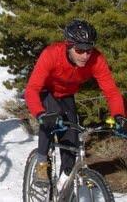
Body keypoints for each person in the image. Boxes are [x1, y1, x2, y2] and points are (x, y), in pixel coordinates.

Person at [25, 19, 126, 185]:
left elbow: (112, 92)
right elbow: (32, 89)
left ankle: (65, 182)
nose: (85, 55)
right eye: (80, 50)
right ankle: (42, 162)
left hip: (67, 95)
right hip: (46, 91)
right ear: (68, 45)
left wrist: (119, 116)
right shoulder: (51, 54)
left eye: (89, 50)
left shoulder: (96, 59)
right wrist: (40, 114)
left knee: (71, 140)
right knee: (51, 117)